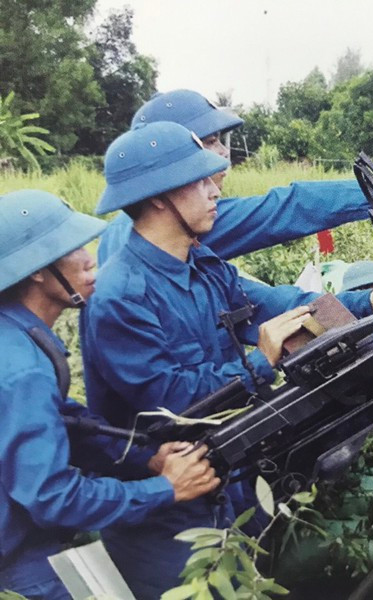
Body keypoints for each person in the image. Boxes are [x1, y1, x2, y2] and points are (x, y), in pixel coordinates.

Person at [80, 121, 373, 598]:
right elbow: (170, 406)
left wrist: (366, 304)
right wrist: (261, 360)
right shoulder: (121, 295)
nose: (214, 189)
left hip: (229, 478)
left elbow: (268, 308)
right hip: (166, 509)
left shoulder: (202, 264)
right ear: (159, 197)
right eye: (199, 181)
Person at [0, 190, 220, 599]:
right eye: (70, 249)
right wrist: (165, 489)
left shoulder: (20, 338)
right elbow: (52, 498)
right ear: (34, 270)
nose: (89, 258)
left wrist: (145, 456)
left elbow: (68, 423)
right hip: (17, 558)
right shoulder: (21, 369)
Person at [98, 88, 373, 266]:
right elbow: (285, 208)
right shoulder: (174, 223)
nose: (222, 152)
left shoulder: (130, 227)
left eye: (220, 141)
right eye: (208, 142)